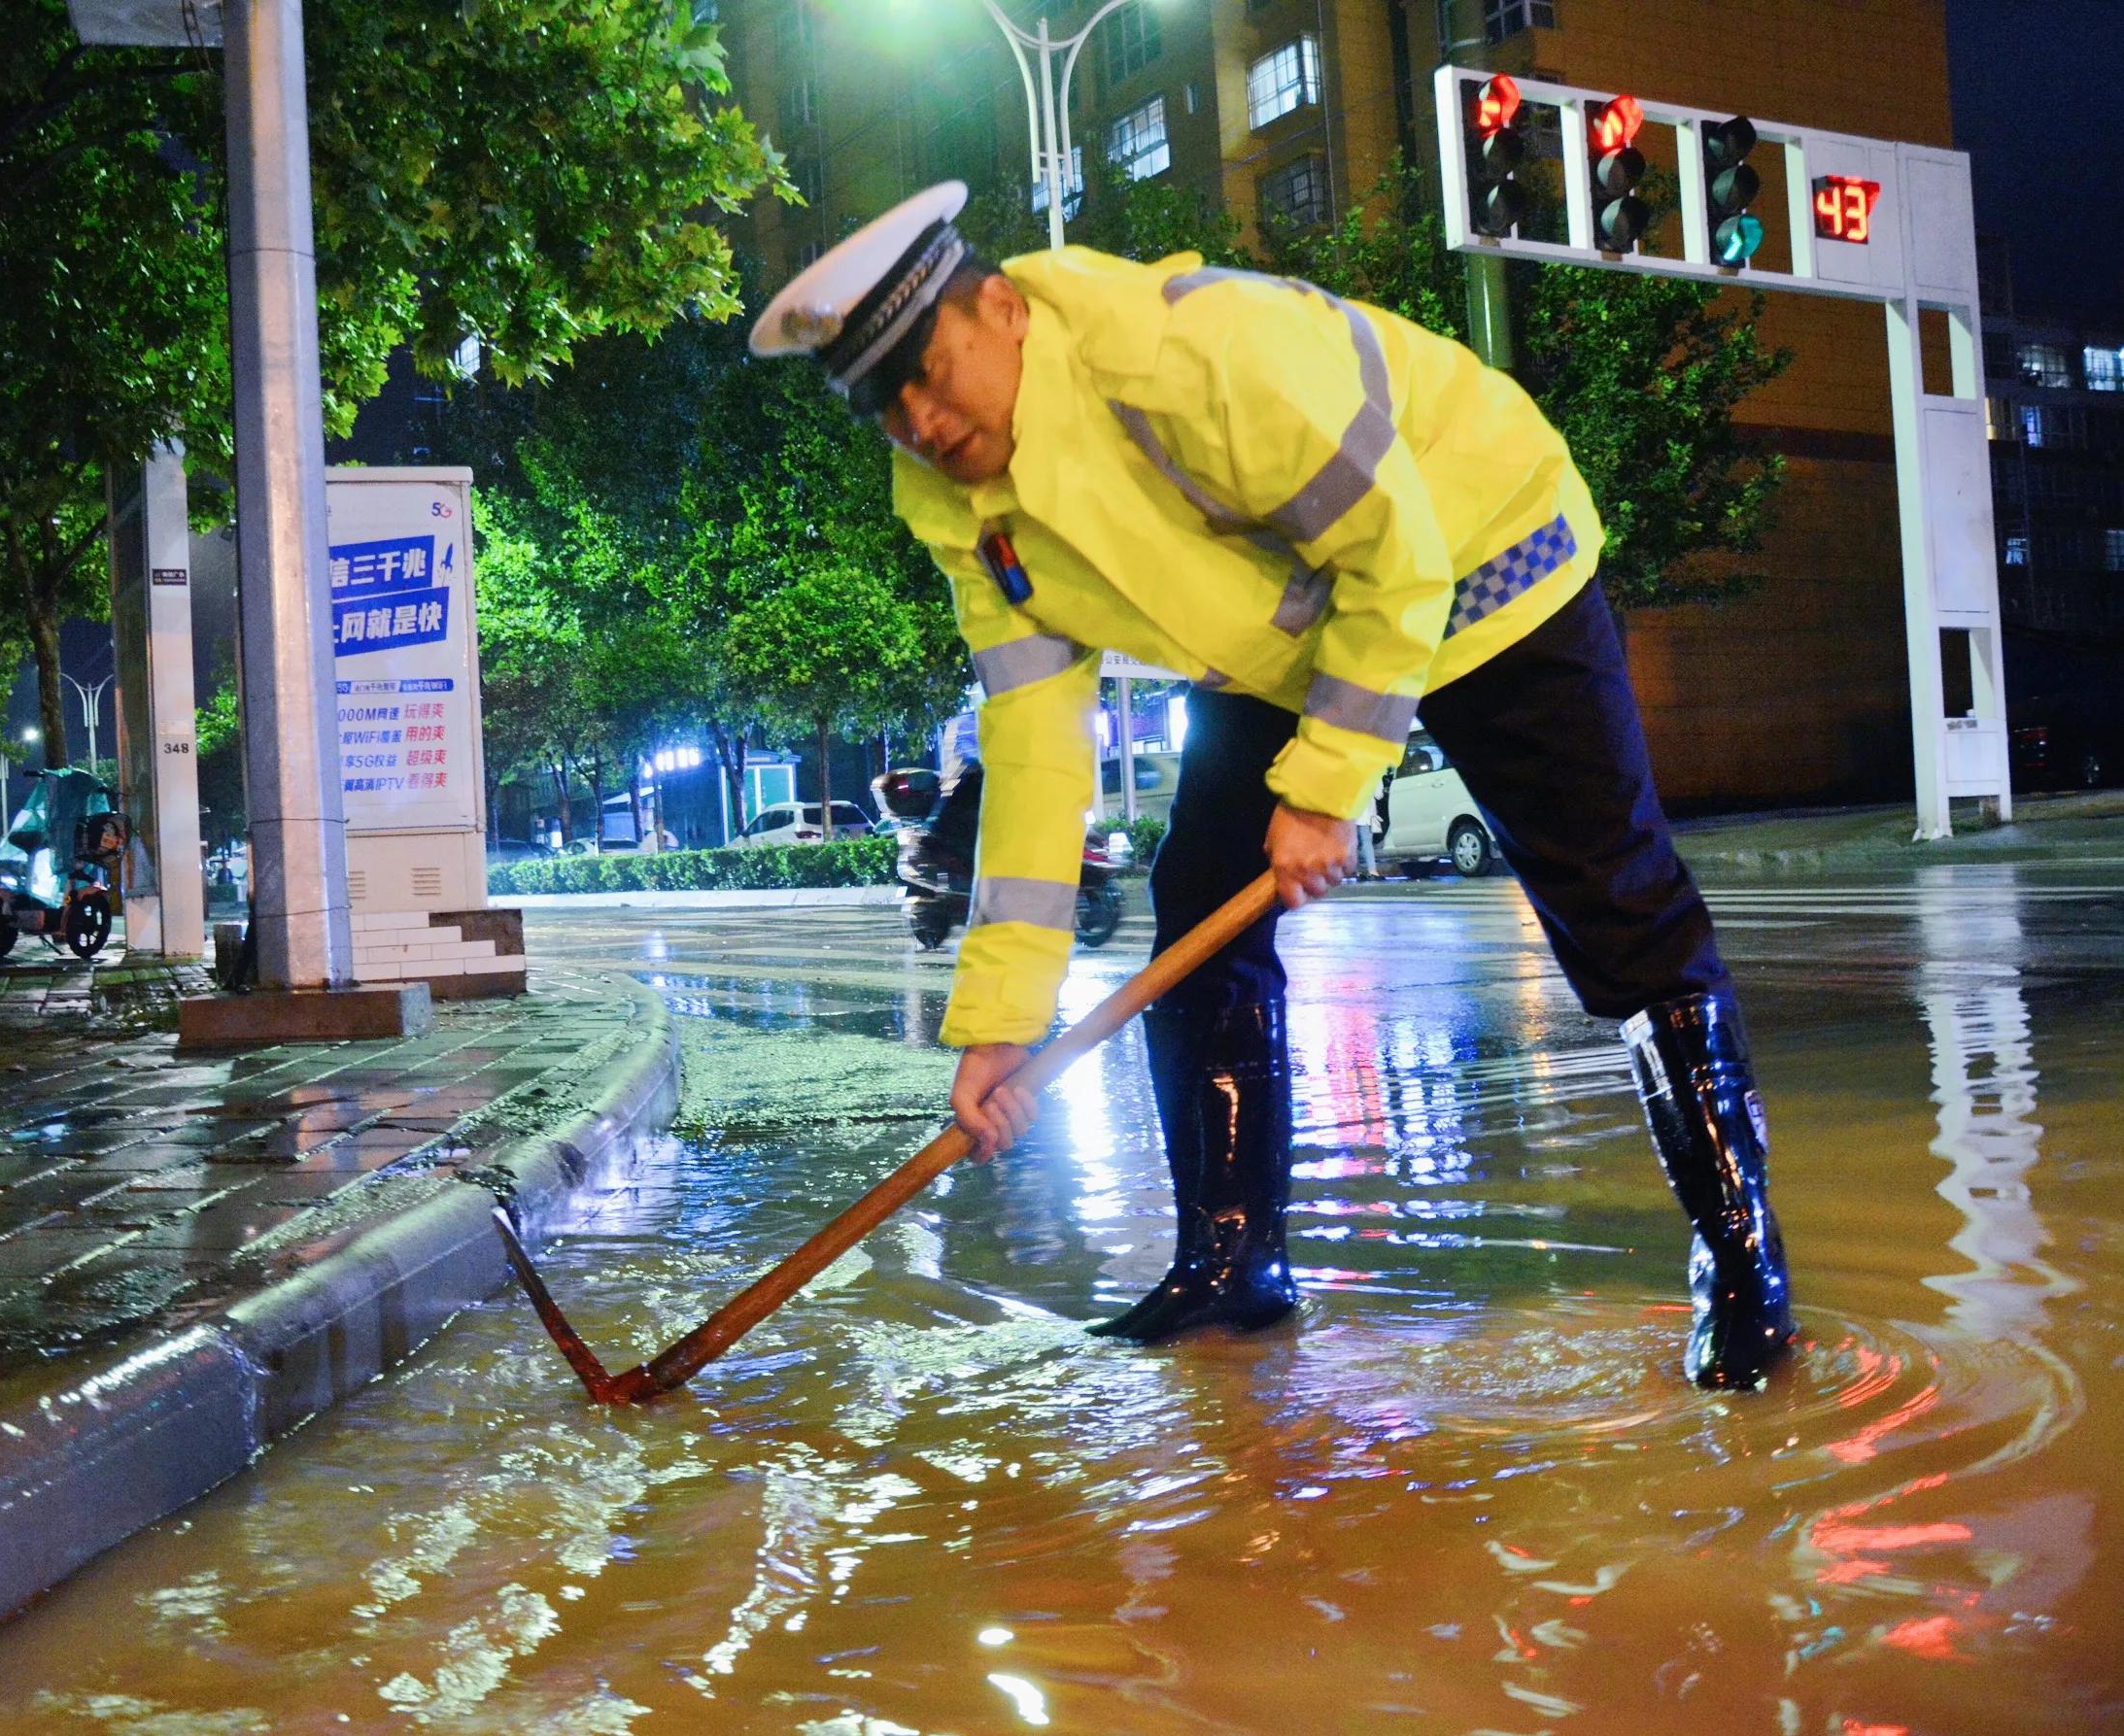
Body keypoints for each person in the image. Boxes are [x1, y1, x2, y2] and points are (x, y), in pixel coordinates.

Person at [748, 184, 1794, 1390]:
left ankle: (1741, 1261)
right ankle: (1231, 1263)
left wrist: (1327, 787)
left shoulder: (1190, 351)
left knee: (1616, 903)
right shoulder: (960, 505)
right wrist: (1000, 1024)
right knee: (1201, 902)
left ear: (1003, 310)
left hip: (1485, 552)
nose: (922, 422)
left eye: (930, 375)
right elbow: (1035, 745)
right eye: (887, 408)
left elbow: (1396, 557)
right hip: (1291, 634)